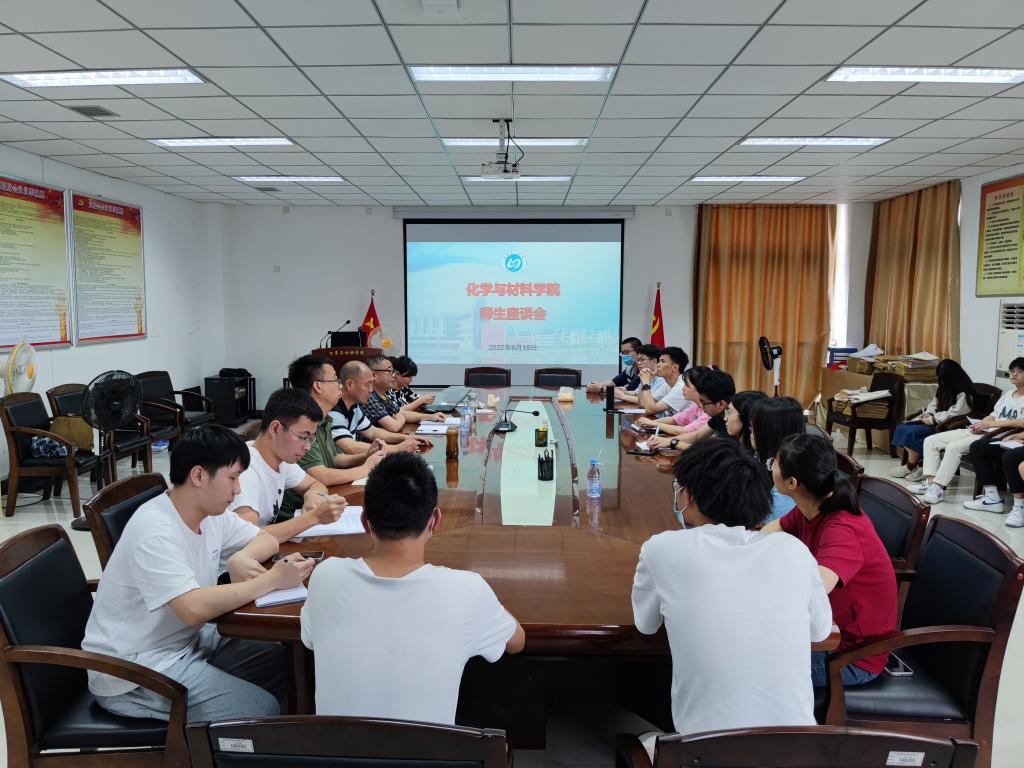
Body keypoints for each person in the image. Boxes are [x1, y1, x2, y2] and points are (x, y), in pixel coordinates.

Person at [82, 425, 316, 721]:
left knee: (287, 661)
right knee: (260, 708)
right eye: (232, 478)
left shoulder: (209, 513)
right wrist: (271, 580)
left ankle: (245, 735)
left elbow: (266, 539)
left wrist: (241, 558)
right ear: (198, 476)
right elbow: (191, 609)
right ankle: (228, 737)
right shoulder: (155, 530)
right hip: (135, 669)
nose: (238, 490)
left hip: (186, 641)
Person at [631, 439, 831, 756]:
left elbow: (645, 625)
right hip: (797, 751)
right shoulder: (793, 550)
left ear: (689, 496)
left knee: (643, 741)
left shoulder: (663, 549)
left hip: (705, 754)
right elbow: (820, 632)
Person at [301, 452, 526, 724]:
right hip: (430, 749)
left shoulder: (325, 576)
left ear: (365, 522)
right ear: (435, 520)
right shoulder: (468, 589)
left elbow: (310, 640)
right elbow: (517, 642)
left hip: (332, 748)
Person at [763, 433, 897, 688]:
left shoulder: (842, 528)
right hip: (826, 635)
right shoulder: (813, 507)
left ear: (792, 482)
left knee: (750, 664)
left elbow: (814, 588)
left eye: (775, 464)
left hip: (850, 656)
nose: (771, 468)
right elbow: (772, 529)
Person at [280, 355, 401, 518]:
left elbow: (334, 458)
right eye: (335, 380)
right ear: (318, 386)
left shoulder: (324, 419)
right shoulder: (301, 423)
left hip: (319, 501)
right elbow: (321, 475)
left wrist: (366, 456)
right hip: (296, 512)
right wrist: (365, 468)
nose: (340, 386)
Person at [228, 388, 348, 542]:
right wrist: (313, 517)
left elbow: (315, 484)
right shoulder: (246, 470)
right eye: (303, 436)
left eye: (311, 438)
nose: (307, 446)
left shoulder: (281, 459)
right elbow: (248, 536)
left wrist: (312, 494)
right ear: (275, 428)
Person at [910, 359, 1024, 505]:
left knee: (953, 447)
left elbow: (1021, 422)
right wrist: (981, 423)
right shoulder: (1008, 394)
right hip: (985, 429)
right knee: (931, 441)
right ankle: (931, 483)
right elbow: (993, 415)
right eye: (1012, 371)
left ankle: (938, 489)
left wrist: (990, 424)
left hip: (998, 435)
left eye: (1020, 371)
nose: (1014, 374)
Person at [890, 359, 973, 481]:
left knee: (911, 433)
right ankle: (917, 465)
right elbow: (933, 404)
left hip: (947, 426)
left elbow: (955, 413)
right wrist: (928, 413)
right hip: (934, 422)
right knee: (902, 428)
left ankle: (912, 466)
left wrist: (934, 418)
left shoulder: (964, 393)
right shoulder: (943, 387)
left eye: (943, 378)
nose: (941, 381)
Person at [647, 366, 735, 451]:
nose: (701, 406)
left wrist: (673, 443)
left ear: (721, 405)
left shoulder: (733, 422)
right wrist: (666, 441)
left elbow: (711, 453)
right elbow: (697, 435)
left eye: (703, 402)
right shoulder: (719, 415)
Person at [750, 396, 807, 523]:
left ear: (768, 435)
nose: (751, 434)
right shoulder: (773, 461)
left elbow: (764, 524)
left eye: (753, 428)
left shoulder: (786, 484)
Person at [363, 355, 444, 430]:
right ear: (374, 375)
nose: (394, 375)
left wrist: (431, 417)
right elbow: (394, 426)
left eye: (393, 371)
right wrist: (400, 418)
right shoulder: (369, 397)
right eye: (389, 371)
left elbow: (402, 412)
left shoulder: (383, 396)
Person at [635, 367, 710, 438]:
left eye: (687, 385)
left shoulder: (709, 411)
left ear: (699, 388)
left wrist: (654, 423)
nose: (683, 388)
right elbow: (673, 419)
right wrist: (648, 423)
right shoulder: (696, 406)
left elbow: (684, 431)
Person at [636, 346, 690, 416]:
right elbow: (643, 405)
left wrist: (646, 383)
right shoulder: (667, 384)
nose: (657, 365)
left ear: (675, 367)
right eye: (659, 361)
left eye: (662, 361)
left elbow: (651, 410)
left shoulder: (681, 387)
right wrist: (643, 381)